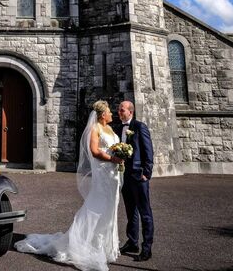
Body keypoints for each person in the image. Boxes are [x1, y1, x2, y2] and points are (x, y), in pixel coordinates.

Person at [15, 100, 123, 271]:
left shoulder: (109, 129)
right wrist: (112, 158)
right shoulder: (95, 129)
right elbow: (95, 152)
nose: (112, 114)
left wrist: (120, 154)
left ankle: (105, 247)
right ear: (102, 115)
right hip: (102, 175)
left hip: (113, 175)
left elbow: (113, 148)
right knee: (97, 208)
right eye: (109, 112)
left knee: (110, 208)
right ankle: (86, 244)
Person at [115, 100, 154, 262]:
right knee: (131, 212)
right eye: (118, 110)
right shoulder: (118, 128)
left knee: (145, 214)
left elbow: (148, 151)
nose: (119, 112)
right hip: (125, 177)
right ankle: (132, 242)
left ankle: (147, 248)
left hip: (139, 176)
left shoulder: (139, 127)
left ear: (130, 111)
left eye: (122, 110)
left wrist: (147, 173)